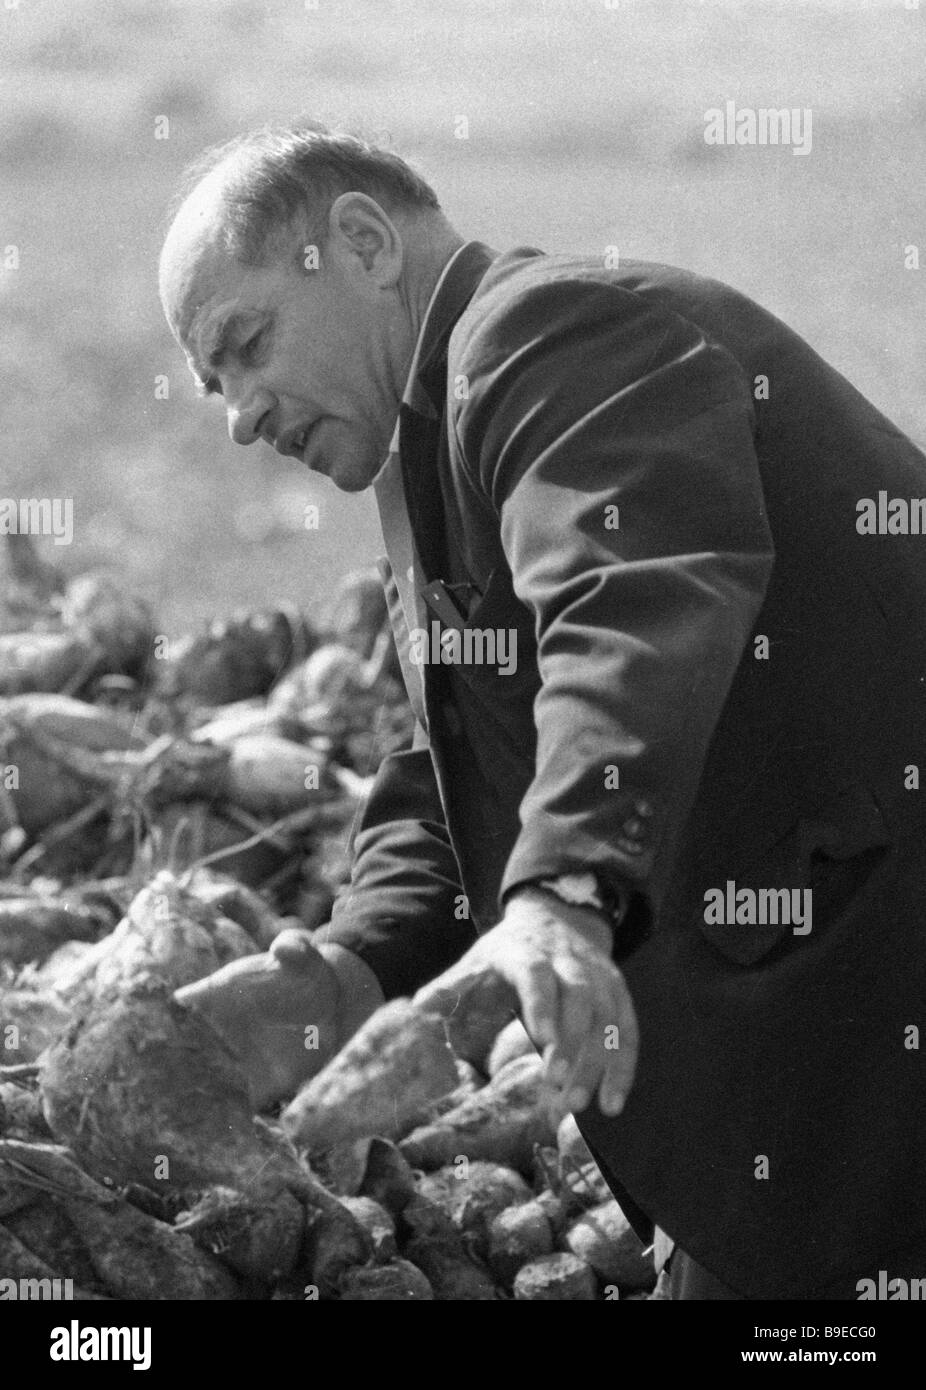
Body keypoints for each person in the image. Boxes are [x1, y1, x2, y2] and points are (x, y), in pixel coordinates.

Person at [159, 123, 926, 1300]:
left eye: (246, 346)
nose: (239, 418)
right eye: (215, 386)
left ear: (360, 243)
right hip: (789, 1077)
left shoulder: (548, 334)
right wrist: (351, 968)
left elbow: (631, 605)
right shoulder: (421, 453)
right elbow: (454, 767)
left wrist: (562, 891)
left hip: (868, 999)